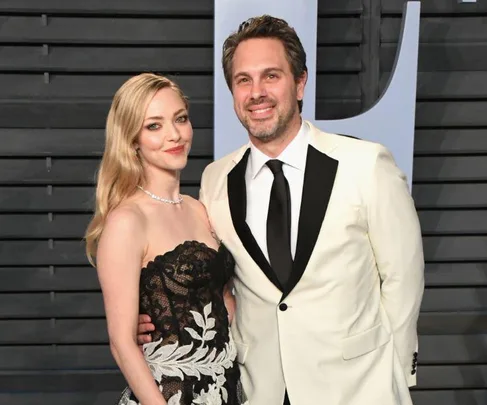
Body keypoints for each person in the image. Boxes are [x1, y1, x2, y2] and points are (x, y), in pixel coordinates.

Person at [138, 16, 425, 405]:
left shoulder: (366, 164)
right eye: (244, 80)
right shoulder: (215, 179)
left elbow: (403, 277)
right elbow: (217, 280)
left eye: (271, 76)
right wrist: (160, 320)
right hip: (260, 389)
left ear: (300, 82)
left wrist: (394, 371)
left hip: (359, 388)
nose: (257, 92)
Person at [84, 73, 246, 405]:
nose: (174, 134)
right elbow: (122, 343)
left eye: (180, 119)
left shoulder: (199, 208)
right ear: (132, 140)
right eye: (154, 126)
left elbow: (223, 298)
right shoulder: (127, 220)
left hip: (227, 390)